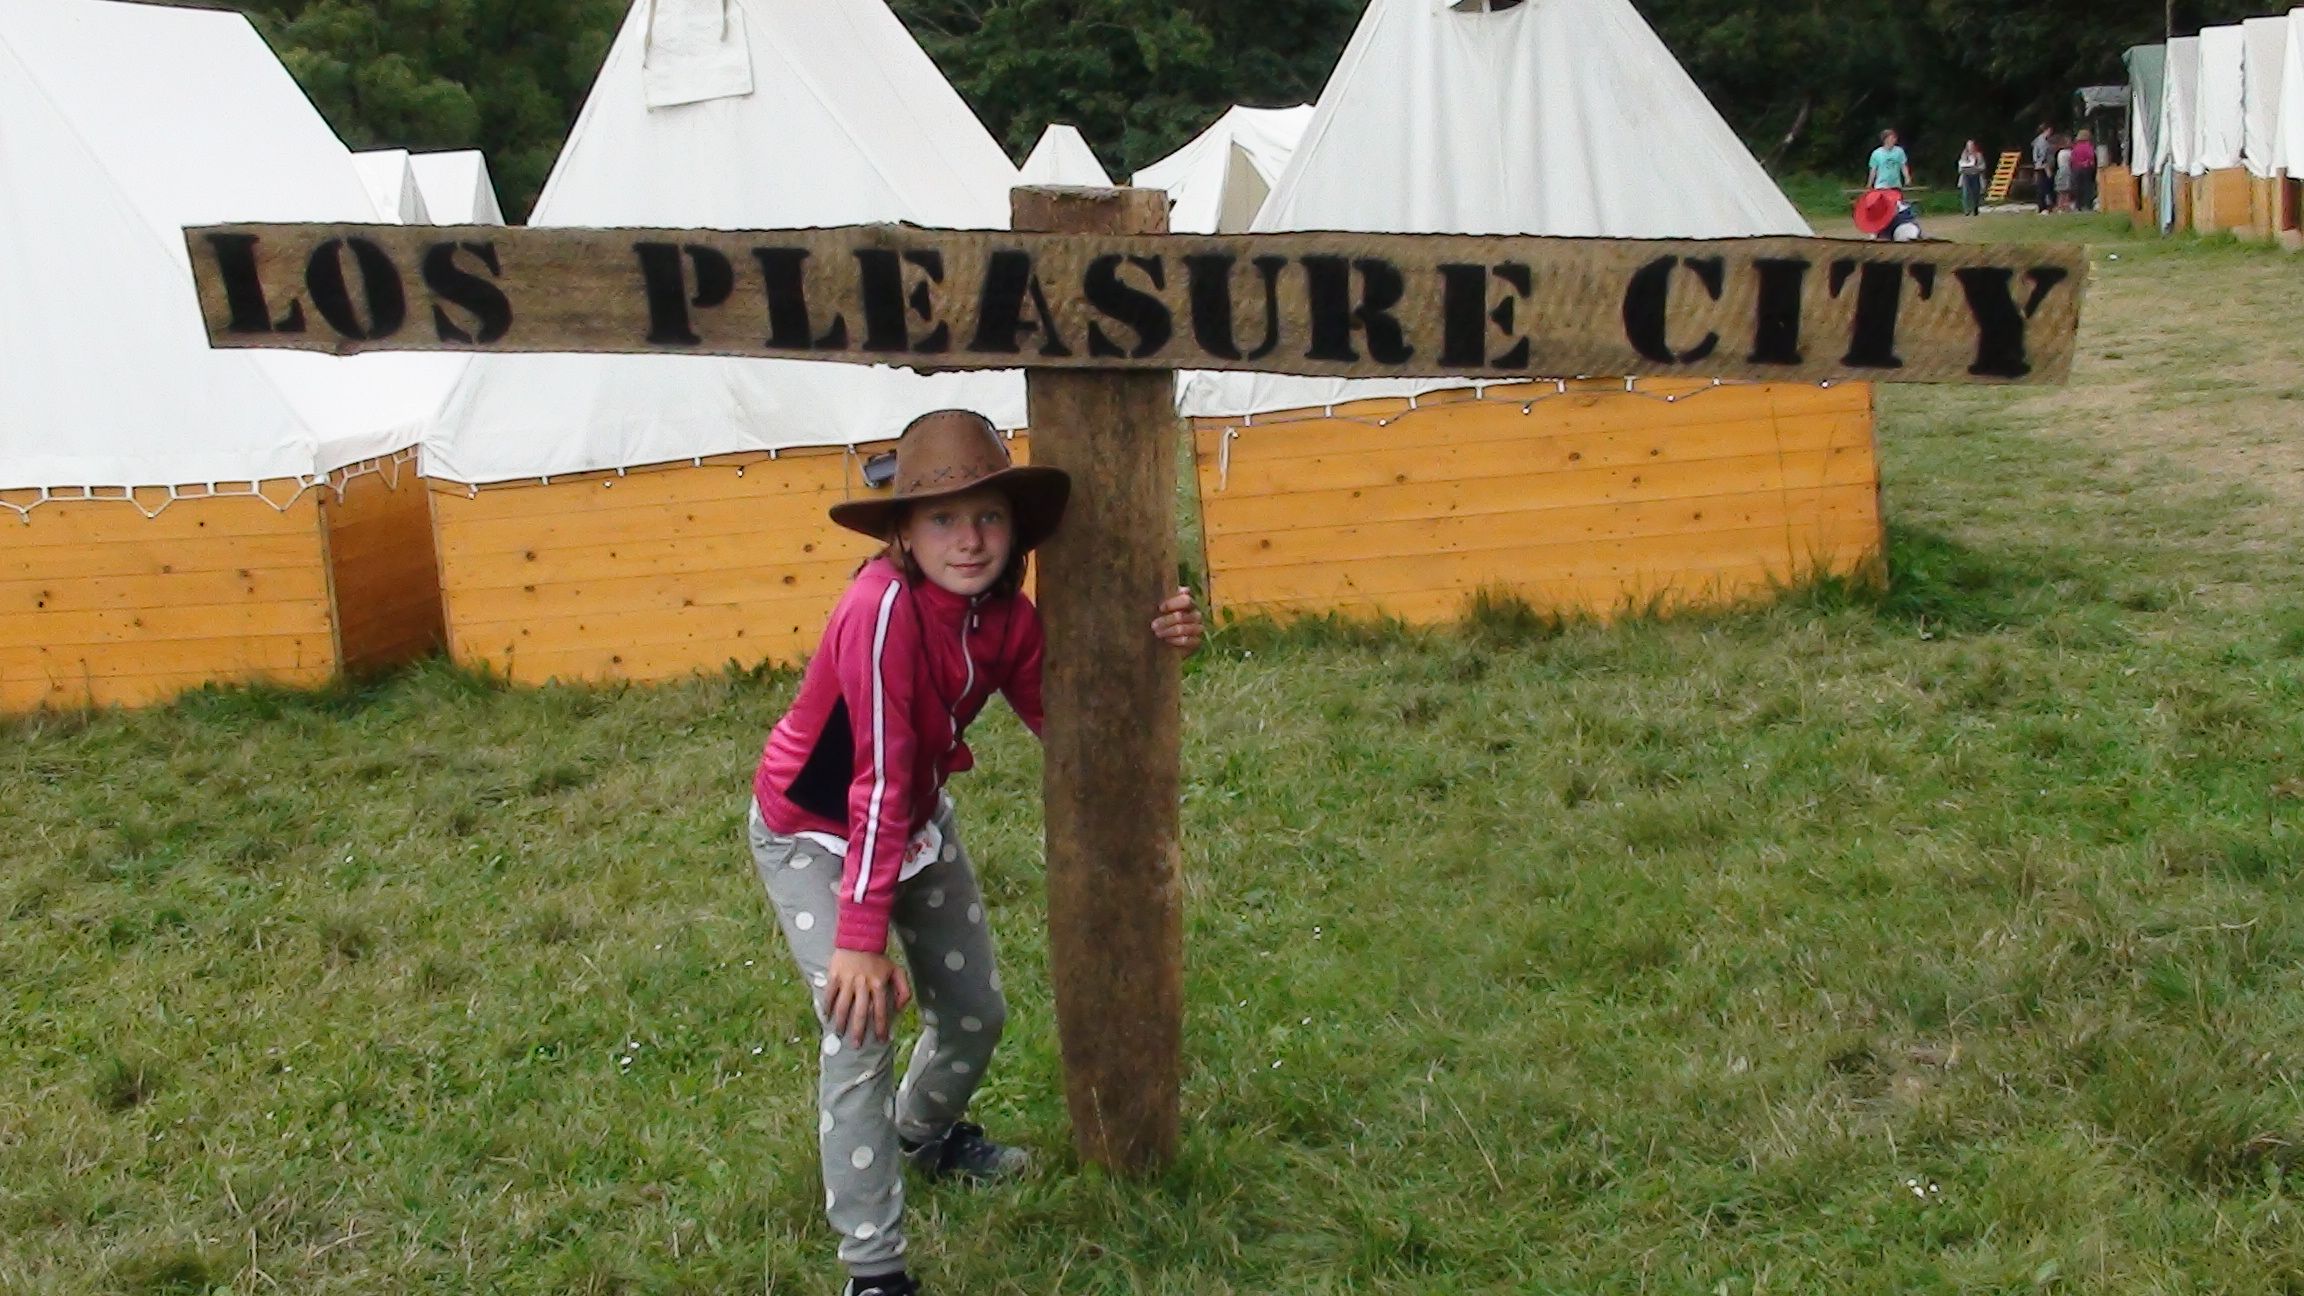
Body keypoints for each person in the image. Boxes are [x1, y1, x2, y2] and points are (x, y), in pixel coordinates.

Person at [747, 409, 1204, 1296]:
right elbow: (875, 778)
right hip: (815, 831)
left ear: (1014, 529)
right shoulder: (879, 610)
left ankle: (923, 1136)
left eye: (988, 516)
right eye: (943, 519)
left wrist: (1154, 648)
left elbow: (1072, 725)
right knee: (859, 1027)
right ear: (904, 534)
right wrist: (859, 940)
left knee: (974, 1012)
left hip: (911, 818)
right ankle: (873, 1268)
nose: (969, 539)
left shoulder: (1007, 619)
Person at [1957, 139, 1986, 216]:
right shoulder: (1964, 155)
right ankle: (1966, 210)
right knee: (1965, 193)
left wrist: (1977, 168)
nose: (1970, 147)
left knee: (1975, 193)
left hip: (1975, 175)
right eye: (1968, 146)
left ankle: (1975, 208)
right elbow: (1960, 166)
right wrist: (1962, 168)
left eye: (1971, 145)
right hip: (1966, 176)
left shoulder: (1978, 155)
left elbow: (1983, 166)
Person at [2032, 123, 2056, 213]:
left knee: (2043, 187)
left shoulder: (2039, 140)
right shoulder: (2042, 141)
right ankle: (2043, 206)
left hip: (2041, 166)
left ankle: (2044, 205)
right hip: (2043, 167)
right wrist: (2046, 166)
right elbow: (2042, 155)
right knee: (2044, 187)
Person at [2072, 129, 2098, 212]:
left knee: (2078, 187)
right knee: (2087, 187)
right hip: (2086, 168)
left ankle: (2078, 205)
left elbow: (2073, 158)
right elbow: (2091, 157)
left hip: (2076, 168)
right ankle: (2087, 205)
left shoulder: (2075, 146)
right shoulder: (2088, 146)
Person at [2055, 136, 2075, 212]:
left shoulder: (2060, 152)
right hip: (2067, 171)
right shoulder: (2069, 153)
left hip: (2060, 171)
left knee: (2060, 191)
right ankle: (2066, 206)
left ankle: (2060, 205)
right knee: (2067, 190)